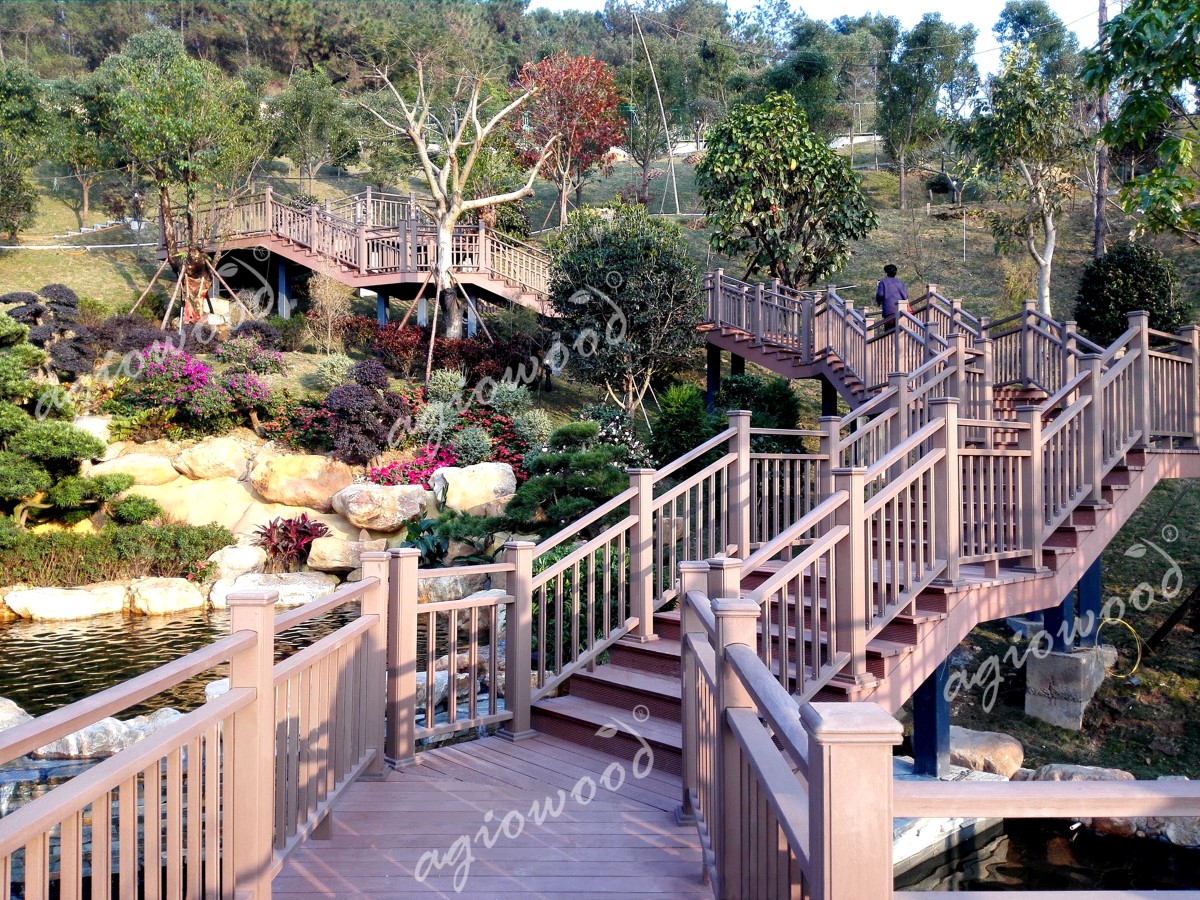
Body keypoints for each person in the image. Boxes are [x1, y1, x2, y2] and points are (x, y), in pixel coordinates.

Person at [876, 264, 907, 332]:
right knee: (900, 331)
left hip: (889, 311)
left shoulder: (883, 282)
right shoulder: (900, 283)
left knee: (889, 332)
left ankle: (890, 342)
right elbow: (905, 296)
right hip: (902, 311)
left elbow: (880, 294)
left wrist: (878, 302)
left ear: (886, 273)